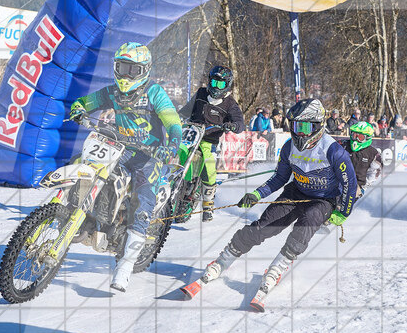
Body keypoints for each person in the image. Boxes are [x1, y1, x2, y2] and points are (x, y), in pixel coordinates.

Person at [197, 98, 357, 296]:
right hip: (296, 192)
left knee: (305, 224)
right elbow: (280, 177)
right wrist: (257, 194)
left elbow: (350, 184)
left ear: (317, 126)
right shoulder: (290, 147)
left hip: (324, 199)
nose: (300, 132)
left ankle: (277, 268)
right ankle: (223, 260)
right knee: (263, 227)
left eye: (305, 127)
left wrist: (343, 213)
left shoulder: (333, 150)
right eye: (296, 126)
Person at [68, 42, 183, 292]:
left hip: (149, 155)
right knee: (82, 163)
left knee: (142, 202)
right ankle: (75, 213)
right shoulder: (112, 92)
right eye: (122, 68)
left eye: (133, 70)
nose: (126, 75)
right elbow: (86, 101)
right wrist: (78, 108)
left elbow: (173, 122)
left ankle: (125, 266)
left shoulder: (155, 93)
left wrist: (172, 145)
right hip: (120, 147)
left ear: (145, 71)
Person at [180, 66, 244, 222]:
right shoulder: (201, 93)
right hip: (191, 135)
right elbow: (186, 110)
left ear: (227, 85)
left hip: (210, 140)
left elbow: (240, 123)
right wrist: (177, 117)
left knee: (208, 166)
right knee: (177, 151)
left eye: (220, 84)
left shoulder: (230, 104)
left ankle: (208, 204)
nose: (216, 87)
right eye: (214, 82)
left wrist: (232, 125)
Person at [345, 121, 382, 194]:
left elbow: (374, 173)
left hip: (358, 187)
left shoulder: (373, 153)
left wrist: (364, 187)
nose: (356, 139)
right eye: (354, 135)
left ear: (367, 138)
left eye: (360, 137)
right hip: (339, 184)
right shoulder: (343, 146)